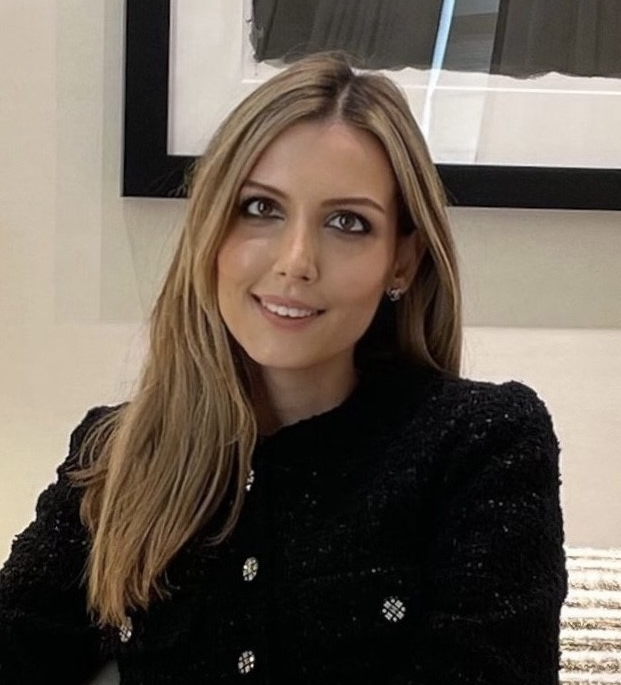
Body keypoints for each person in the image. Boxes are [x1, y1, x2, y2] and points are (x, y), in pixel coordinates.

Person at [0, 52, 568, 684]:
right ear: (211, 231)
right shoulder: (115, 457)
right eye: (260, 209)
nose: (297, 261)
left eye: (347, 222)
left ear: (401, 262)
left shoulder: (481, 445)